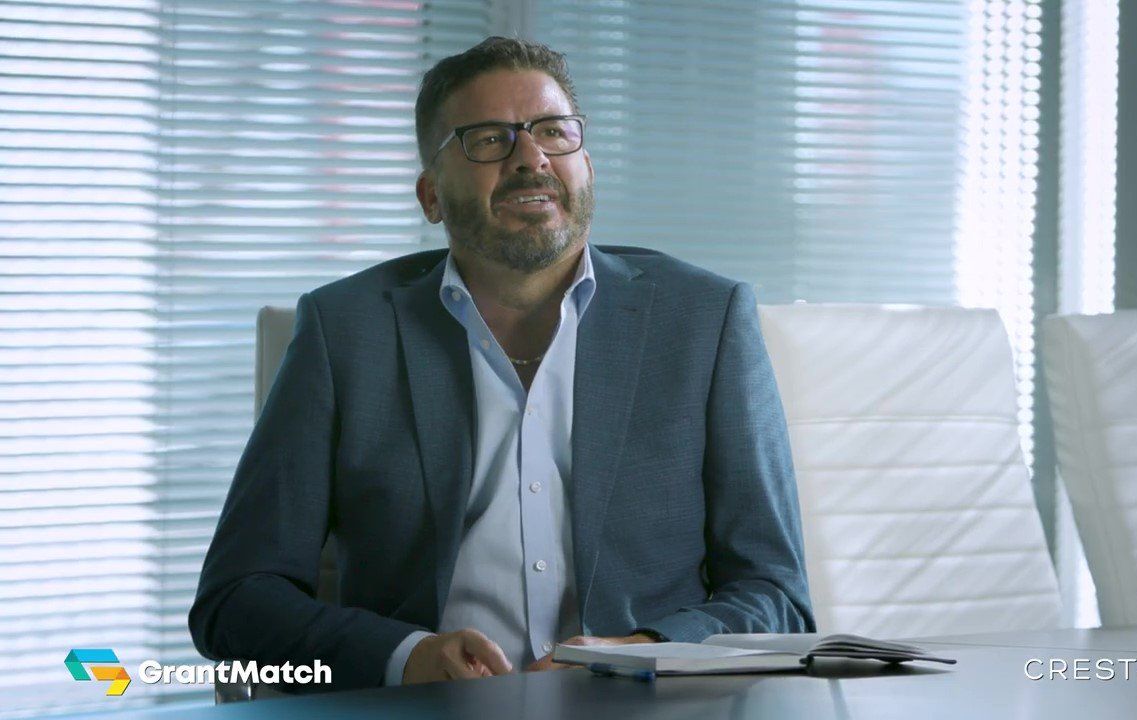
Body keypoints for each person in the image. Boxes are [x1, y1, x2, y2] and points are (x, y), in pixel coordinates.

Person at [188, 36, 813, 691]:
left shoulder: (705, 321)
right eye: (488, 139)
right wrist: (405, 656)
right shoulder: (344, 332)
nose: (530, 158)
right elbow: (236, 599)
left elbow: (778, 597)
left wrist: (647, 649)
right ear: (431, 196)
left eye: (553, 131)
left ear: (588, 168)